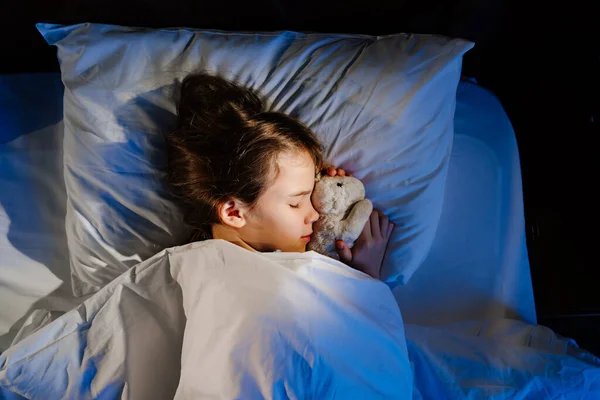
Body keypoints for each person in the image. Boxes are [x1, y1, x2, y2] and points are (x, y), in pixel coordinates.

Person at [164, 72, 394, 279]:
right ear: (234, 212)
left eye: (312, 192)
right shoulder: (218, 278)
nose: (315, 214)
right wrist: (366, 277)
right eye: (295, 203)